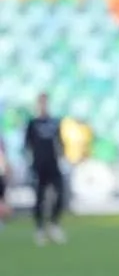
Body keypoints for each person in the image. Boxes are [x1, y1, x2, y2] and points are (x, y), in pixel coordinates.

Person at [24, 93, 66, 245]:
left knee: (60, 194)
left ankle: (54, 225)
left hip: (53, 165)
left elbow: (60, 143)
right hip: (38, 165)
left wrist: (62, 157)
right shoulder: (32, 123)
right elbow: (27, 145)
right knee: (39, 198)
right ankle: (40, 229)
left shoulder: (55, 122)